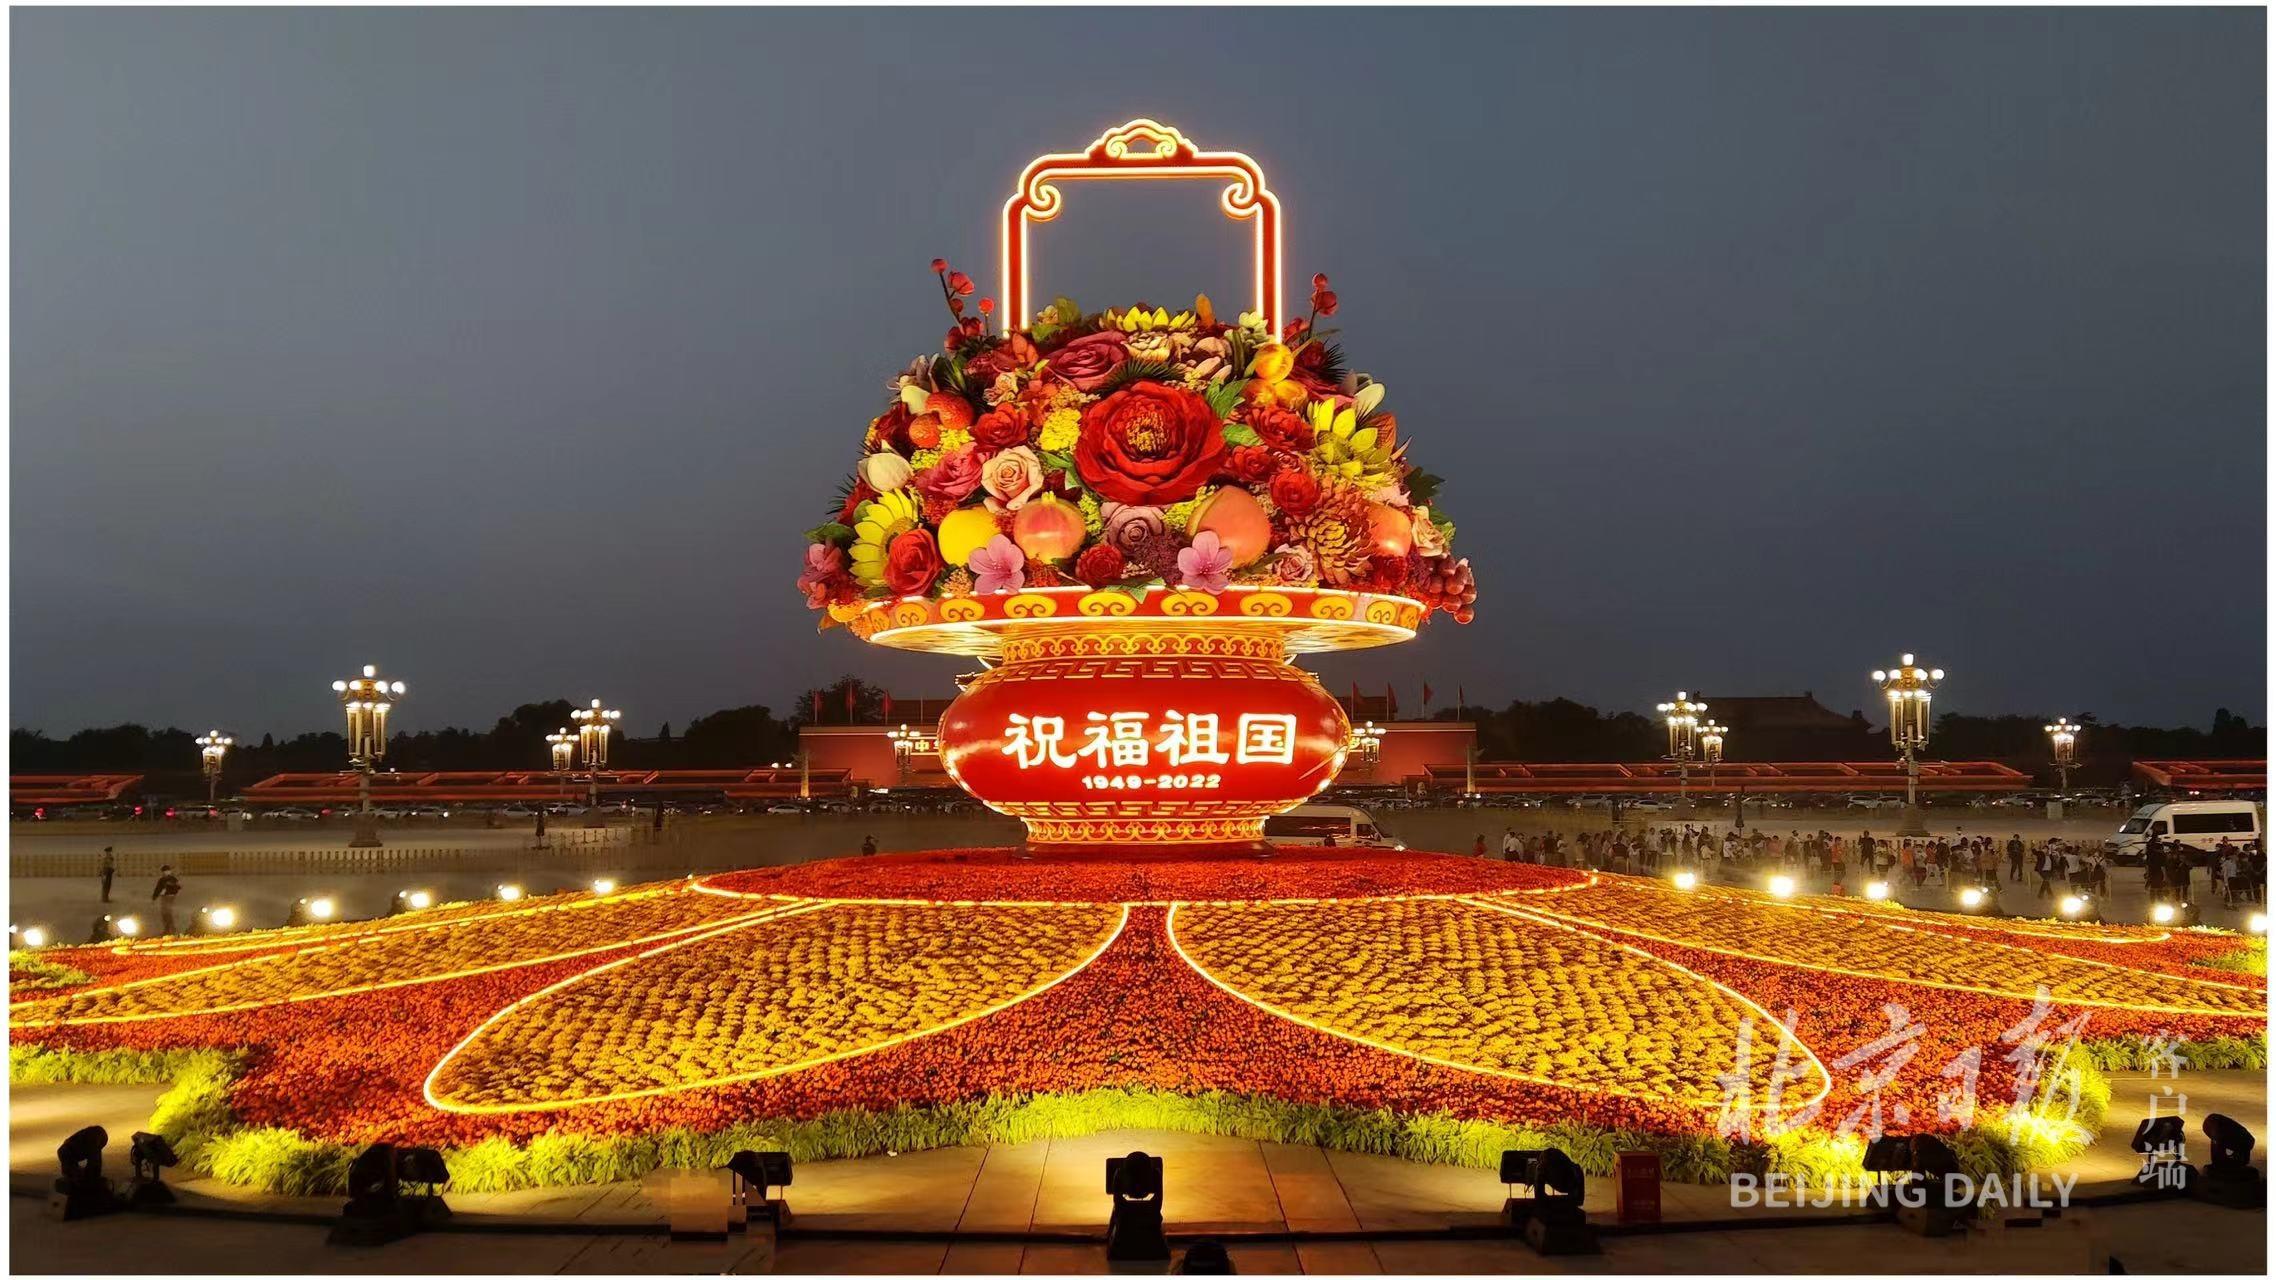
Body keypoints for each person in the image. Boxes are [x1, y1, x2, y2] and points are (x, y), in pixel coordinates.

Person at [151, 864, 181, 935]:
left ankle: (170, 929)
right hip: (167, 897)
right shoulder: (165, 880)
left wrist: (154, 897)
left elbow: (178, 887)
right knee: (166, 913)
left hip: (168, 897)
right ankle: (169, 929)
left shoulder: (171, 879)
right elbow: (158, 889)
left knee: (167, 913)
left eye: (167, 871)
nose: (166, 872)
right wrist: (154, 897)